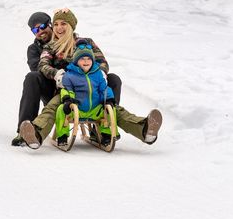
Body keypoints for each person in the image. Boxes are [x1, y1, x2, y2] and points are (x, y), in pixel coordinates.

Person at [19, 8, 162, 148]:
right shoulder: (50, 47)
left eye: (63, 24)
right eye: (56, 24)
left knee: (114, 103)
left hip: (92, 91)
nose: (59, 28)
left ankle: (143, 129)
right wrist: (57, 74)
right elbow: (42, 65)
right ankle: (34, 134)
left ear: (71, 26)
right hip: (67, 93)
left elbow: (102, 61)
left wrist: (101, 74)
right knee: (51, 110)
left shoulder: (86, 43)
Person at [54, 40, 116, 146]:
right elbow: (67, 89)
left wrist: (109, 100)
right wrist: (68, 99)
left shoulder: (98, 74)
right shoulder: (70, 75)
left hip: (95, 110)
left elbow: (104, 89)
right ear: (76, 61)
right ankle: (62, 136)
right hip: (77, 109)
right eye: (82, 58)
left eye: (88, 59)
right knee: (61, 110)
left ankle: (107, 135)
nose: (86, 61)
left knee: (109, 110)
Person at [11, 12, 55, 146]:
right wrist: (57, 73)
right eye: (35, 30)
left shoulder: (66, 41)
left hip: (76, 87)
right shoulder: (33, 49)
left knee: (112, 79)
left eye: (42, 26)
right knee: (32, 77)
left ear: (50, 24)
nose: (40, 31)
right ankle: (25, 129)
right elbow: (37, 68)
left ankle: (104, 127)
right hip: (51, 90)